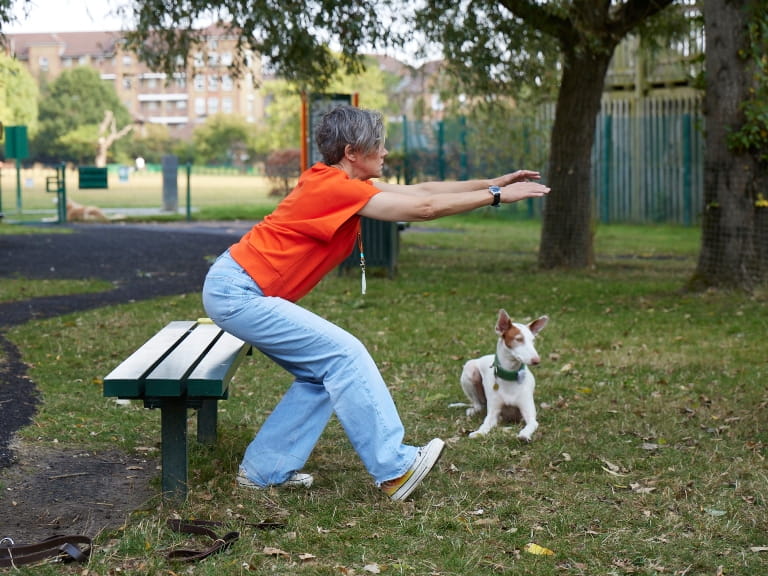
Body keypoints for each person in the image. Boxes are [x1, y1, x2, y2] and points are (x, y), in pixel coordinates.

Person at [202, 105, 550, 501]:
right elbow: (425, 209)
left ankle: (263, 472)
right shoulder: (332, 187)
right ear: (352, 151)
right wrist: (496, 197)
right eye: (379, 145)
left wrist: (493, 182)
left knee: (321, 374)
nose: (385, 153)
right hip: (239, 291)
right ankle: (395, 468)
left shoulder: (341, 182)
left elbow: (423, 191)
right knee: (345, 355)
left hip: (238, 288)